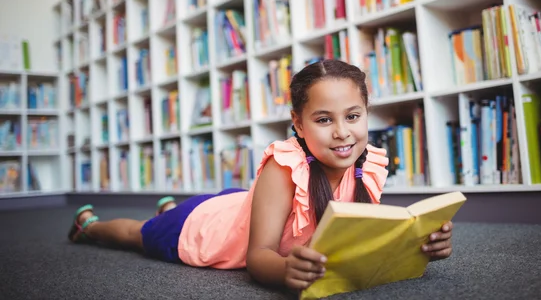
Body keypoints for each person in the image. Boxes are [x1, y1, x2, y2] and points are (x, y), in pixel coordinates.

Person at [67, 59, 454, 291]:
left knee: (173, 213)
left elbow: (364, 232)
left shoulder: (368, 161)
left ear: (366, 112)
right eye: (323, 120)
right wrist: (286, 269)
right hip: (206, 229)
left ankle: (168, 208)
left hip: (243, 208)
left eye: (353, 116)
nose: (342, 132)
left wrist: (419, 242)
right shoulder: (282, 167)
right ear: (298, 125)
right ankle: (89, 226)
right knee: (140, 234)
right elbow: (258, 257)